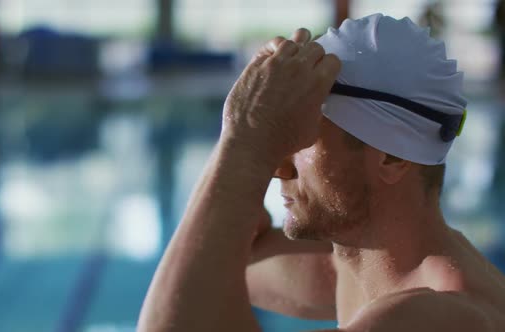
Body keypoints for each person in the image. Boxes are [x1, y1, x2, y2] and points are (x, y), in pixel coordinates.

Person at [138, 14, 505, 332]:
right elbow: (207, 264)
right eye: (283, 133)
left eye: (302, 136)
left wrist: (246, 143)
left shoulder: (449, 315)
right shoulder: (348, 266)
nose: (277, 165)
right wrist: (246, 126)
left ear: (393, 157)